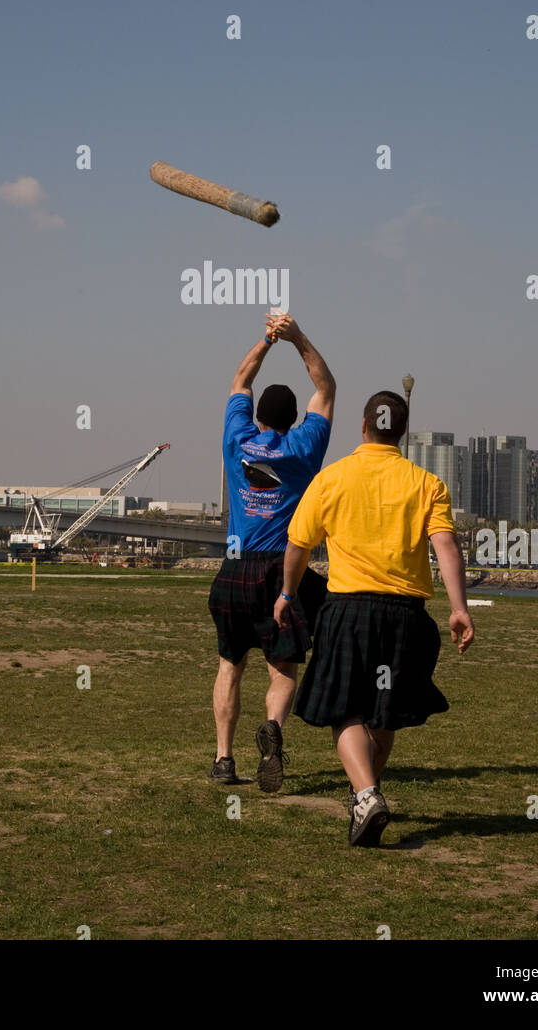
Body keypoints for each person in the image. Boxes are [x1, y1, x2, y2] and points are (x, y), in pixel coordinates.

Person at [274, 390, 474, 846]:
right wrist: (458, 607)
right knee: (382, 713)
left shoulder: (331, 478)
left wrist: (287, 594)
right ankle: (364, 796)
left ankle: (366, 794)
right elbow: (445, 546)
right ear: (401, 432)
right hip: (406, 617)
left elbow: (298, 547)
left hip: (348, 611)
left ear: (363, 426)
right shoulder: (426, 483)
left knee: (345, 711)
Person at [208, 312, 335, 792]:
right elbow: (326, 388)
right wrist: (298, 337)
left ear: (258, 415)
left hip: (234, 568)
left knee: (229, 664)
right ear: (292, 418)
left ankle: (223, 759)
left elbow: (241, 377)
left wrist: (267, 338)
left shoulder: (236, 439)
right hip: (281, 572)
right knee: (282, 668)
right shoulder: (304, 446)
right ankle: (274, 732)